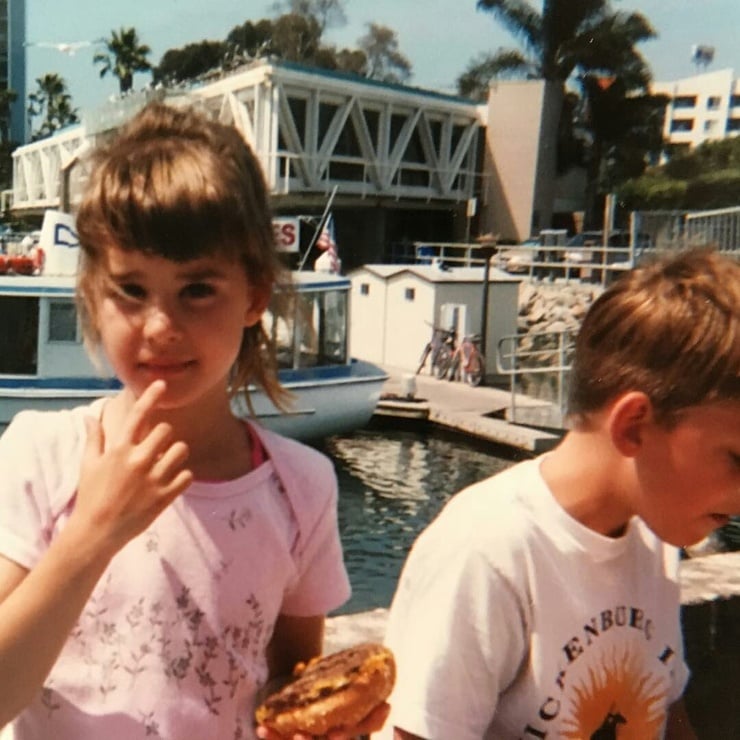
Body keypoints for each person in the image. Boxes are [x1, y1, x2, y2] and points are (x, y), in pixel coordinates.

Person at [0, 102, 387, 740]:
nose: (159, 327)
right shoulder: (43, 454)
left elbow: (290, 684)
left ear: (255, 295)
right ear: (94, 292)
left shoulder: (301, 489)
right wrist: (94, 531)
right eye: (131, 289)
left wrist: (327, 721)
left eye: (197, 290)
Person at [383, 249, 740, 739]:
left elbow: (664, 705)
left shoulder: (654, 539)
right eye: (736, 460)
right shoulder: (487, 550)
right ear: (634, 426)